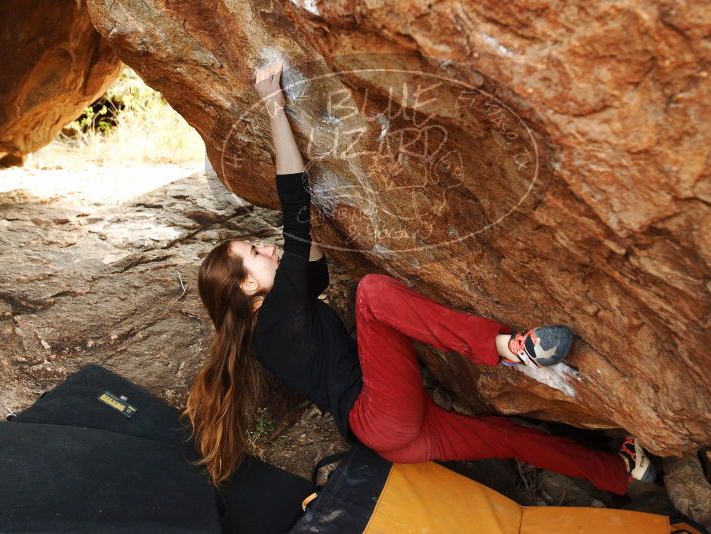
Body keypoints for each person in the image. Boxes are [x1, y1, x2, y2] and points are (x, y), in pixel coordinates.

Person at [183, 62, 656, 493]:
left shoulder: (271, 328)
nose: (266, 247)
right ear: (247, 286)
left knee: (510, 438)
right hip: (379, 415)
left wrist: (310, 211)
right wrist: (273, 106)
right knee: (370, 293)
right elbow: (295, 208)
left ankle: (620, 469)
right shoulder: (275, 316)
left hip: (392, 439)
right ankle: (510, 349)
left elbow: (312, 258)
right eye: (254, 252)